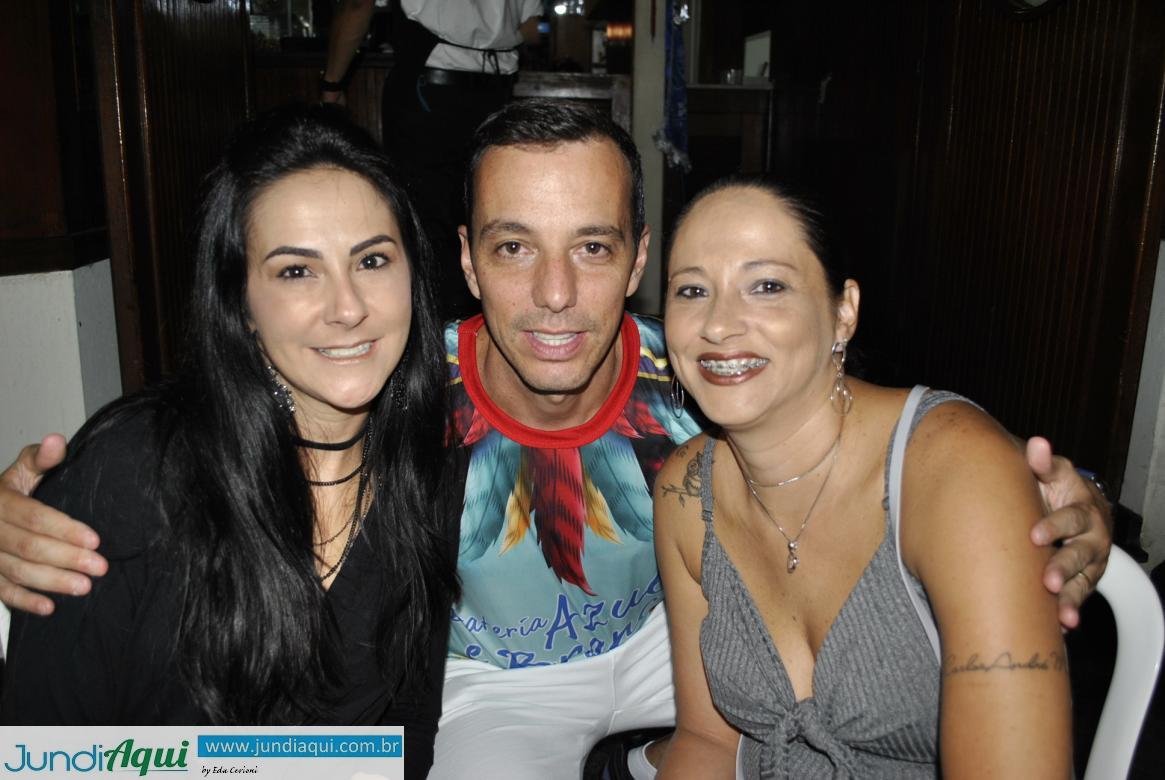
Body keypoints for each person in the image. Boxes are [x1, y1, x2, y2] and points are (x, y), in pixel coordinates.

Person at [0, 101, 1110, 778]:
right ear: (464, 262)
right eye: (513, 248)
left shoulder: (708, 373)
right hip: (493, 684)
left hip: (685, 653)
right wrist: (38, 506)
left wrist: (1063, 507)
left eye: (591, 247)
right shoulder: (396, 390)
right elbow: (230, 418)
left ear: (638, 261)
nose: (554, 296)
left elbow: (878, 432)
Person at [0, 104, 458, 779]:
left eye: (371, 260)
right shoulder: (137, 474)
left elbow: (407, 734)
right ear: (241, 304)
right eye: (296, 271)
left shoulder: (429, 466)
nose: (348, 307)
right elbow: (41, 759)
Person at [654, 179, 1072, 777]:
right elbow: (706, 740)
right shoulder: (685, 488)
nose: (718, 325)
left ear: (843, 311)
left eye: (767, 286)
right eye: (692, 290)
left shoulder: (953, 469)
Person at [322, 0, 542, 317]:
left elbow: (357, 6)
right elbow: (532, 28)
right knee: (486, 216)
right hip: (495, 92)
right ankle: (474, 332)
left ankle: (437, 334)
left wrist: (331, 84)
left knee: (424, 226)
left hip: (427, 90)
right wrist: (493, 33)